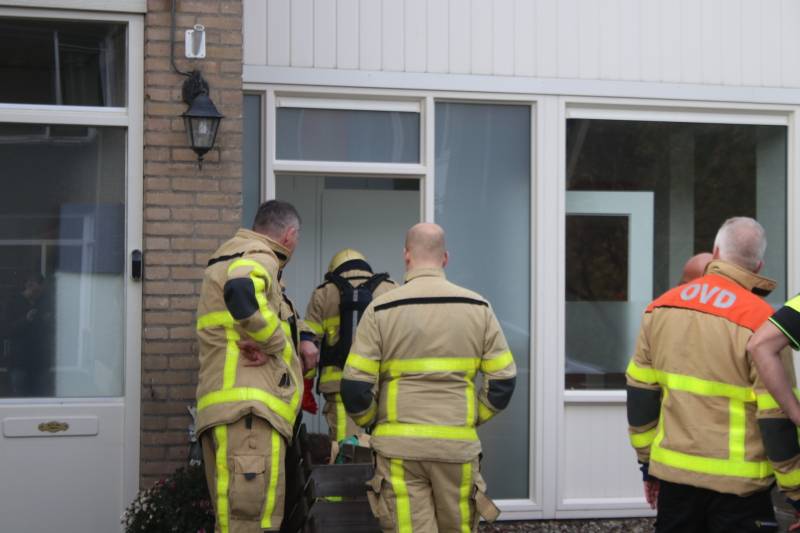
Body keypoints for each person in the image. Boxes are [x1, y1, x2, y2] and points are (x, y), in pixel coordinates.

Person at [626, 217, 800, 532]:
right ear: (758, 266)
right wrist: (796, 493)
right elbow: (776, 418)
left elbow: (641, 395)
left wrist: (647, 466)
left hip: (675, 482)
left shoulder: (660, 309)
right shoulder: (765, 323)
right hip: (741, 492)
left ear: (716, 251)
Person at [341, 223, 515, 532]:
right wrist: (471, 417)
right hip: (456, 451)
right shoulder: (478, 307)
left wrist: (375, 421)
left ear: (406, 256)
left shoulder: (381, 309)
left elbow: (355, 388)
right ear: (445, 258)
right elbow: (503, 382)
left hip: (399, 452)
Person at [195, 200, 317, 533]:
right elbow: (242, 291)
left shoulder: (230, 255)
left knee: (233, 522)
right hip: (249, 416)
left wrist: (299, 337)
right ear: (289, 235)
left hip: (230, 411)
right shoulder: (260, 255)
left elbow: (269, 312)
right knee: (252, 523)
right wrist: (275, 345)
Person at [304, 248, 396, 444]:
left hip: (339, 389)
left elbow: (309, 349)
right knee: (385, 449)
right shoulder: (391, 289)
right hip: (383, 387)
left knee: (345, 452)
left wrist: (306, 388)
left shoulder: (323, 293)